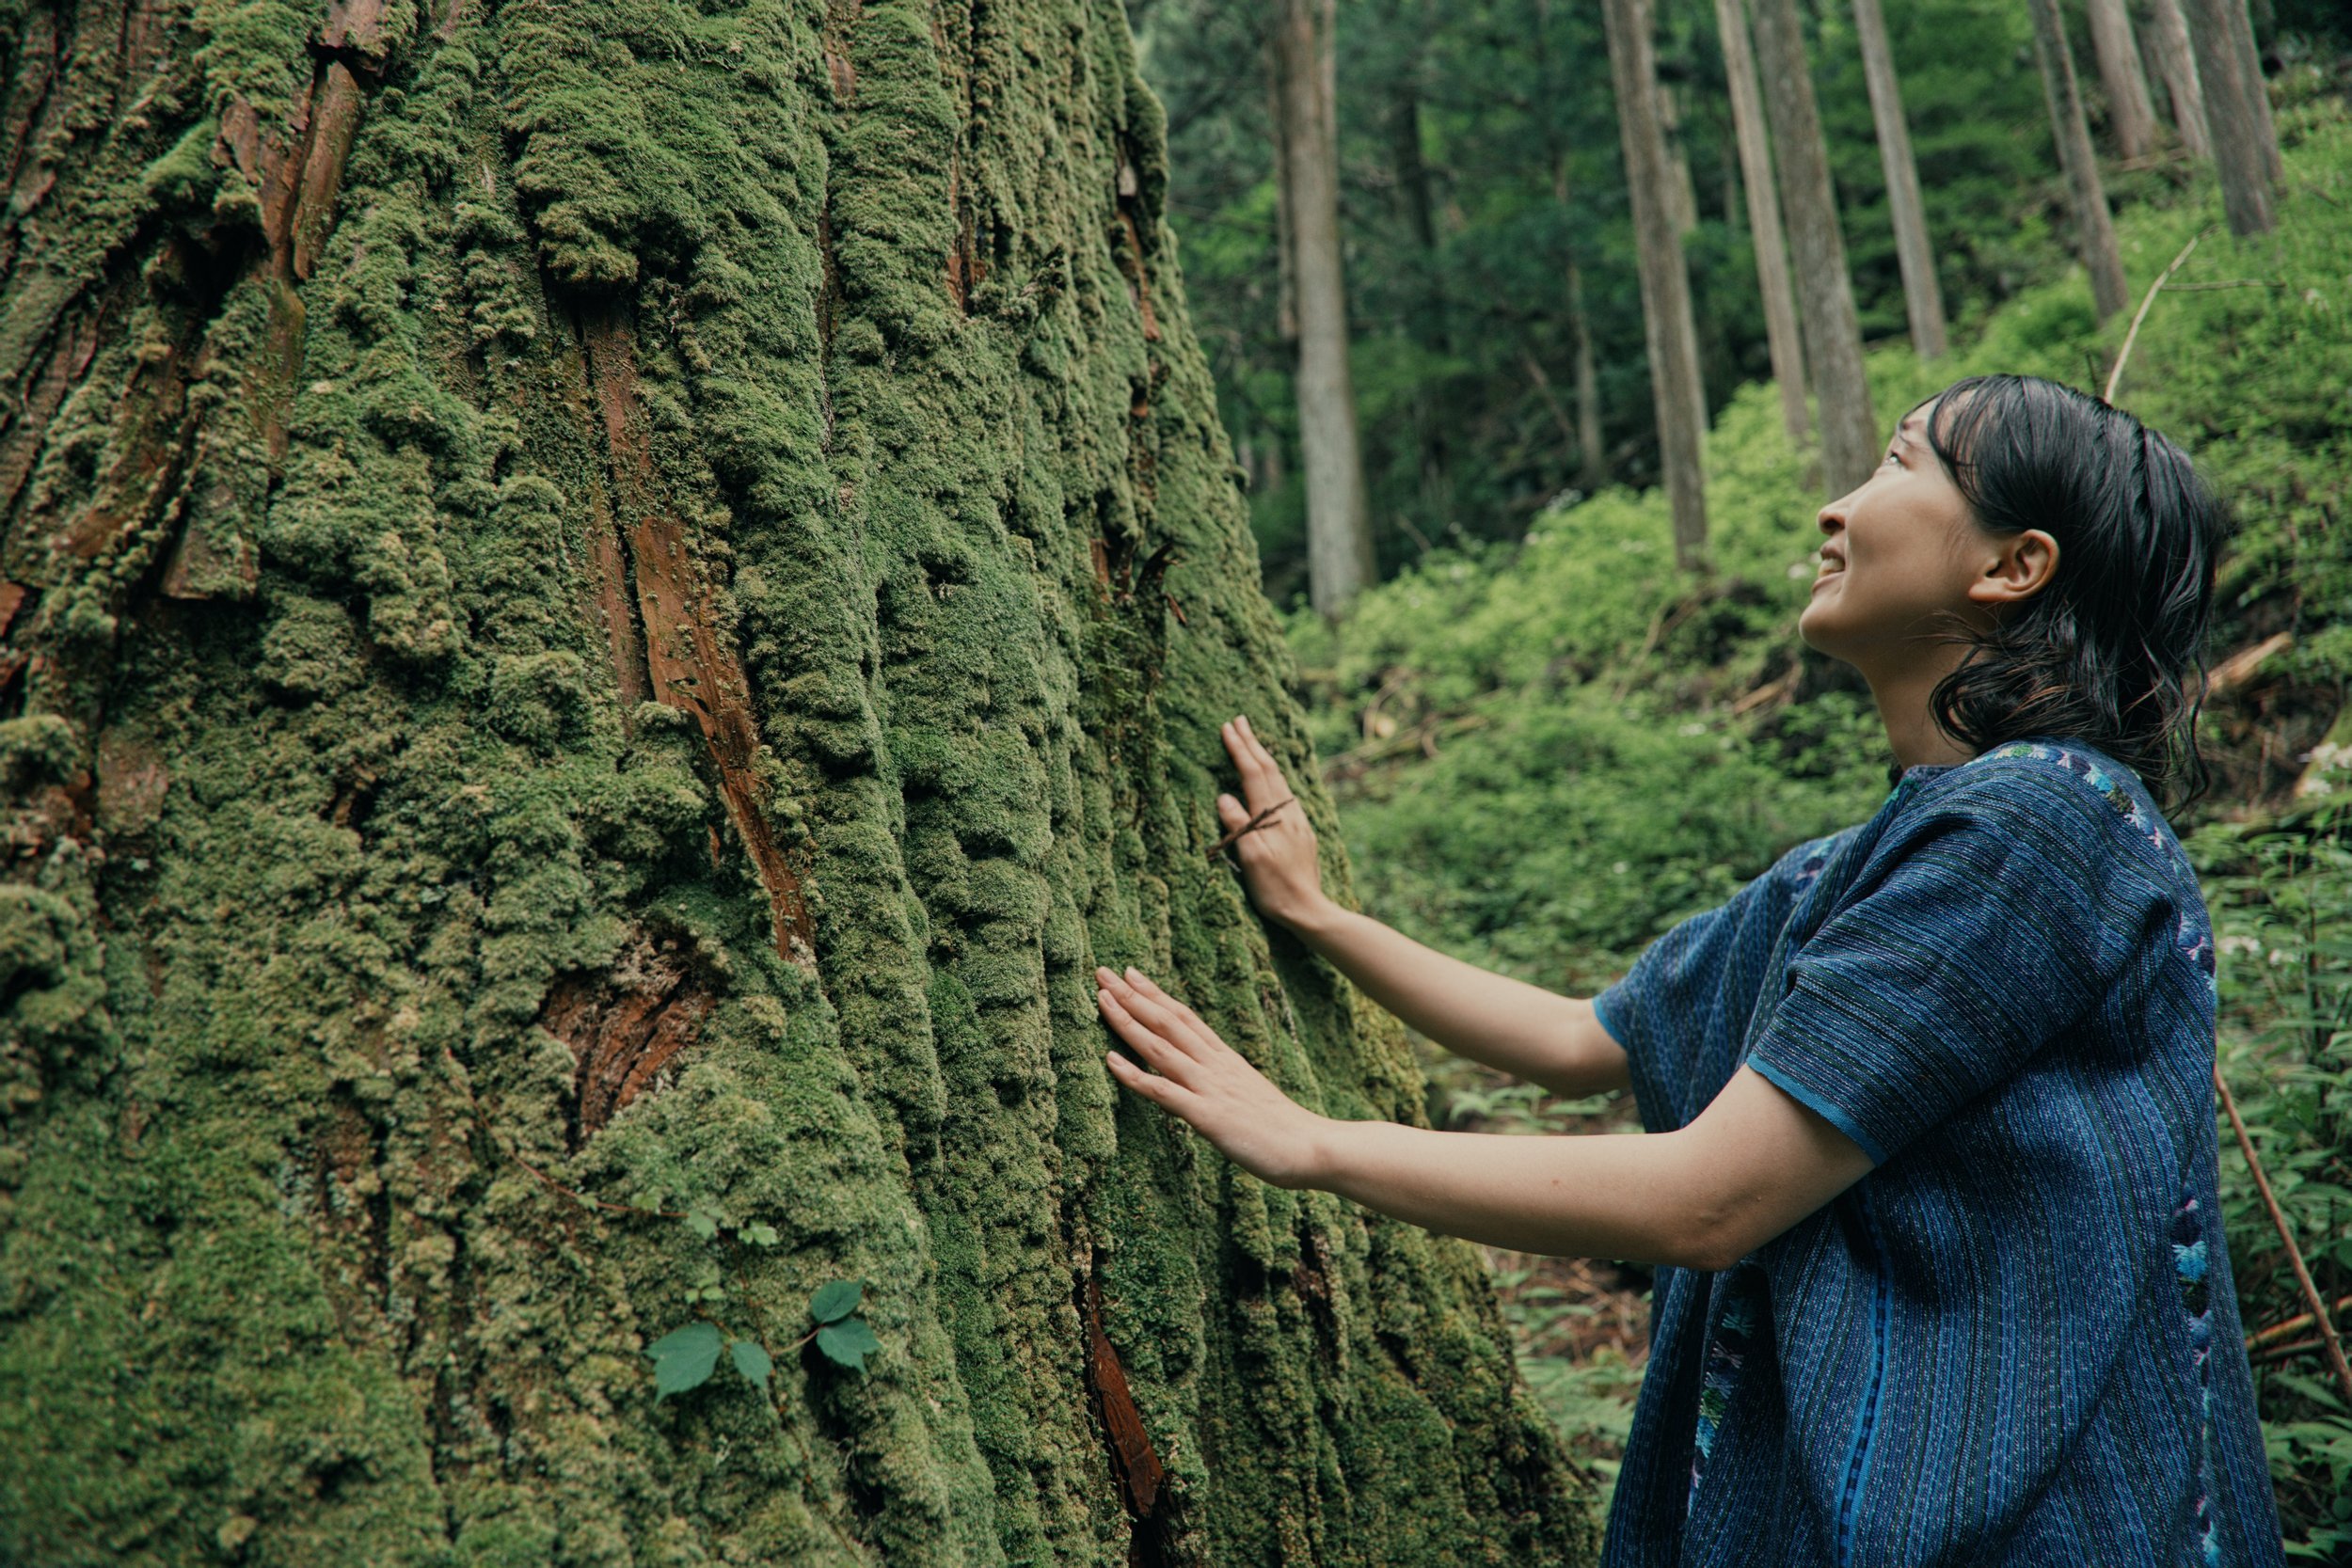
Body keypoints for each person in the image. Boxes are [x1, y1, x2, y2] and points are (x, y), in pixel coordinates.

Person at [1095, 375, 2286, 1565]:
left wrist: (1307, 1142)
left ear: (2013, 565)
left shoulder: (2039, 826)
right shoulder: (1867, 861)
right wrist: (1318, 916)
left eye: (1893, 464)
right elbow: (1581, 1040)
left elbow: (1709, 1199)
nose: (1833, 506)